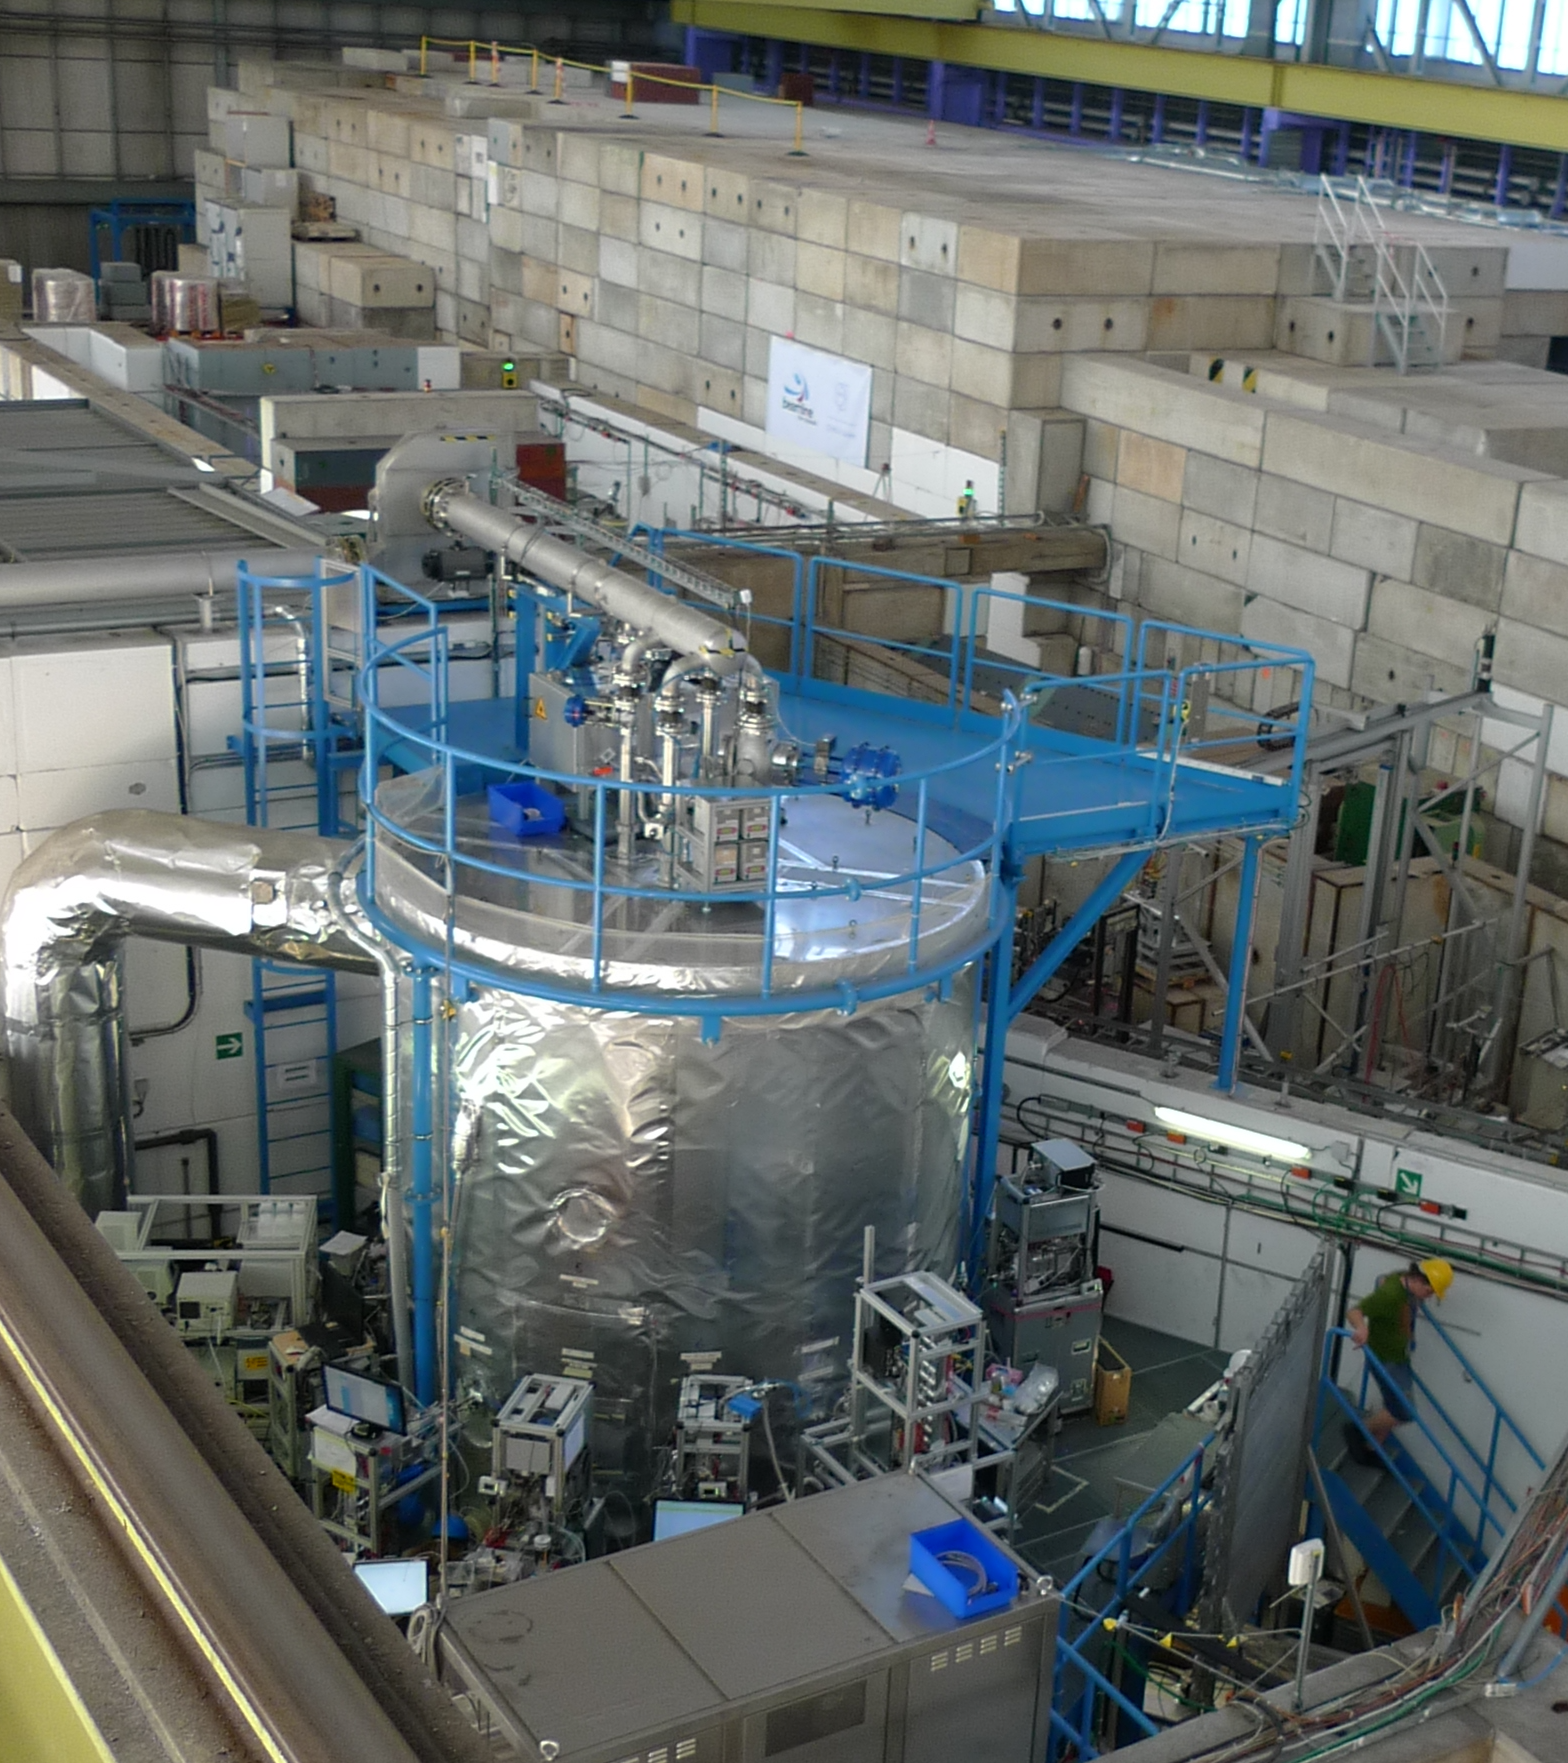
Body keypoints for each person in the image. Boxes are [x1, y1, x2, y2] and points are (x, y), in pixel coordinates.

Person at [1344, 1258, 1454, 1464]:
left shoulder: (1402, 1283)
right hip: (1386, 1359)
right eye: (1429, 1292)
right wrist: (1362, 1328)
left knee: (1393, 1405)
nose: (1427, 1298)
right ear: (1418, 1282)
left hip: (1399, 1356)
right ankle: (1358, 1429)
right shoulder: (1390, 1296)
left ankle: (1371, 1449)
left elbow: (1383, 1279)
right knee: (1404, 1411)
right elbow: (1354, 1311)